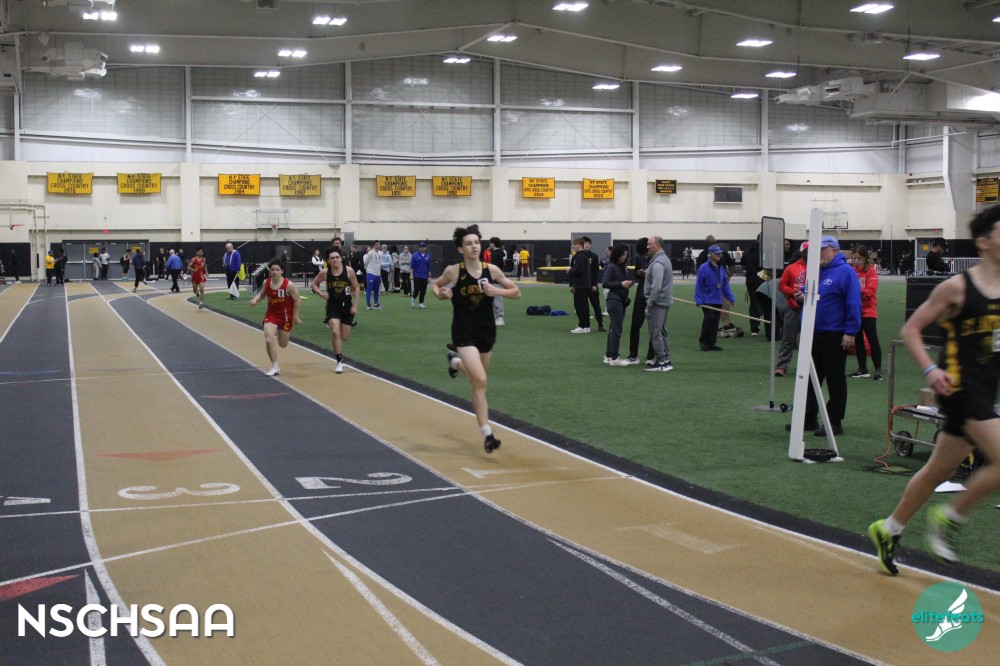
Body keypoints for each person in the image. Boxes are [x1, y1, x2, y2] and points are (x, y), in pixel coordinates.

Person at [868, 204, 1000, 575]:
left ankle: (889, 528)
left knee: (938, 470)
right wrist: (930, 369)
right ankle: (950, 518)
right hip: (958, 387)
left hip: (986, 388)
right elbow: (911, 329)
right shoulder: (957, 287)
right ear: (983, 242)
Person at [432, 225, 520, 453]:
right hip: (463, 332)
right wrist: (442, 294)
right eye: (469, 243)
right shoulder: (454, 271)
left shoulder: (492, 270)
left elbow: (516, 292)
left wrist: (496, 291)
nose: (474, 246)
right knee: (480, 380)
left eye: (477, 243)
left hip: (486, 331)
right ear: (460, 249)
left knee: (476, 380)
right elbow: (436, 286)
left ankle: (455, 362)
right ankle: (487, 434)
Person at [785, 236, 861, 437]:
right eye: (817, 250)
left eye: (823, 250)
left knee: (835, 379)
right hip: (813, 332)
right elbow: (807, 292)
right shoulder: (817, 271)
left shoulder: (846, 273)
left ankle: (834, 421)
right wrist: (800, 296)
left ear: (835, 250)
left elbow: (853, 303)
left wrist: (850, 332)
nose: (818, 254)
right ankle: (808, 418)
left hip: (834, 334)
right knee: (810, 377)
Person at [249, 258, 302, 377]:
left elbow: (297, 300)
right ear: (269, 271)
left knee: (283, 344)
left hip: (285, 317)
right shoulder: (266, 282)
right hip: (271, 314)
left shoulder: (289, 285)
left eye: (277, 270)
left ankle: (277, 330)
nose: (274, 272)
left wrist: (296, 316)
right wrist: (255, 300)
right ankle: (275, 366)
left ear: (282, 271)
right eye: (272, 269)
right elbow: (262, 294)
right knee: (269, 339)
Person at [311, 246, 360, 374]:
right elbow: (314, 284)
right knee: (335, 331)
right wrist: (320, 293)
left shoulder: (349, 271)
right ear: (328, 260)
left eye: (337, 257)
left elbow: (356, 287)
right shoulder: (325, 273)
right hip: (333, 306)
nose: (335, 260)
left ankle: (340, 357)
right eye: (332, 258)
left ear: (341, 258)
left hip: (347, 306)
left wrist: (355, 306)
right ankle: (339, 361)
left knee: (345, 337)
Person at [850, 245, 883, 381]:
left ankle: (878, 370)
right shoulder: (853, 271)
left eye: (859, 258)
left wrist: (856, 290)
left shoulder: (871, 271)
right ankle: (862, 368)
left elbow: (870, 292)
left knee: (872, 339)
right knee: (858, 341)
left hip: (868, 311)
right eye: (854, 258)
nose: (856, 261)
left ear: (865, 258)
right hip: (856, 311)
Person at [775, 242, 808, 377]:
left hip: (811, 310)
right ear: (802, 252)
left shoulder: (819, 268)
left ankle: (809, 367)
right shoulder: (791, 268)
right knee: (788, 338)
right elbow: (781, 285)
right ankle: (782, 366)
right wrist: (792, 292)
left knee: (811, 340)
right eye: (807, 251)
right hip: (793, 307)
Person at [694, 244, 735, 351]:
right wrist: (698, 300)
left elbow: (725, 285)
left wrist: (730, 297)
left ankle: (712, 343)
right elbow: (698, 285)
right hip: (706, 299)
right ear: (711, 254)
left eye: (720, 254)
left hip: (717, 299)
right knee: (709, 318)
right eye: (717, 254)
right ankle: (703, 341)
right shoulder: (703, 268)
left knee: (715, 321)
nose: (719, 255)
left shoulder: (721, 268)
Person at [644, 236, 674, 371]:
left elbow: (656, 287)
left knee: (655, 332)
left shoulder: (658, 263)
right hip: (664, 301)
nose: (647, 247)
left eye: (649, 244)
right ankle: (666, 359)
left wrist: (650, 303)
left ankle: (661, 362)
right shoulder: (664, 259)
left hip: (658, 303)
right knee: (662, 331)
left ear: (657, 245)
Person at [601, 244, 633, 366]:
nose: (625, 256)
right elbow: (605, 283)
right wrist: (621, 284)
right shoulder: (612, 266)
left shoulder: (623, 266)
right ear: (617, 255)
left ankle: (609, 355)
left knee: (613, 328)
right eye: (623, 254)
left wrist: (629, 282)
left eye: (626, 254)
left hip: (621, 300)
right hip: (614, 300)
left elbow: (625, 280)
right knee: (616, 329)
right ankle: (614, 358)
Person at [626, 238, 652, 365]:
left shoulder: (657, 259)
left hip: (653, 295)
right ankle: (633, 355)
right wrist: (638, 273)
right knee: (635, 325)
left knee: (653, 327)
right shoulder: (639, 258)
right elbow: (636, 274)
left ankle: (650, 357)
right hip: (641, 294)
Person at [741, 234, 764, 336]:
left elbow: (742, 266)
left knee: (754, 304)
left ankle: (754, 329)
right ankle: (771, 329)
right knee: (768, 304)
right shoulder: (766, 252)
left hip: (751, 281)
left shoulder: (747, 251)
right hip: (764, 281)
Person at [568, 238, 592, 333]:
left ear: (581, 245)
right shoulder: (580, 256)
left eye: (575, 244)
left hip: (581, 285)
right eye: (573, 244)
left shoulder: (580, 256)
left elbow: (579, 270)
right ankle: (585, 326)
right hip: (582, 284)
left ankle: (583, 326)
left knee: (580, 306)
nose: (573, 246)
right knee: (583, 306)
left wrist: (569, 271)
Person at [582, 237, 605, 332]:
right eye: (585, 243)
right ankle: (584, 324)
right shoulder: (578, 255)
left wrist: (594, 284)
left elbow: (596, 272)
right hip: (582, 286)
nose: (587, 245)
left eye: (588, 243)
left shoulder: (594, 256)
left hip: (592, 285)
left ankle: (600, 324)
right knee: (583, 306)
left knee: (596, 305)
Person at [363, 242, 384, 309]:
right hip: (371, 273)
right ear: (374, 245)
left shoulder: (381, 253)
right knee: (369, 289)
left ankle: (376, 304)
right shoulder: (370, 253)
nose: (378, 245)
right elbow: (366, 263)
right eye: (377, 244)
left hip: (378, 274)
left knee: (376, 289)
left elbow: (380, 263)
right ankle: (368, 305)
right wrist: (368, 270)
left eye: (379, 244)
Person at [411, 241, 431, 308]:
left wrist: (429, 277)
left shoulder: (428, 256)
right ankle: (413, 298)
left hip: (425, 276)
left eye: (423, 247)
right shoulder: (415, 255)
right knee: (417, 289)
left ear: (425, 248)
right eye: (421, 247)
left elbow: (429, 267)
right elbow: (412, 266)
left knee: (423, 290)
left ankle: (421, 303)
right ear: (419, 248)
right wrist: (411, 275)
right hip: (417, 275)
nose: (422, 248)